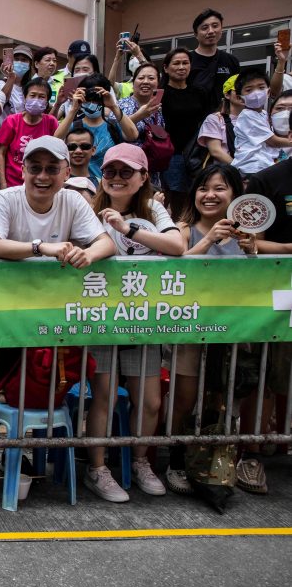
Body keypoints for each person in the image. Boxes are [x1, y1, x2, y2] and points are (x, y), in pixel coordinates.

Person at [84, 144, 184, 502]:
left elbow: (177, 246)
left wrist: (128, 229)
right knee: (105, 397)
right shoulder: (88, 209)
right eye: (110, 171)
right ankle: (97, 468)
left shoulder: (153, 209)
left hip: (143, 318)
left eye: (127, 171)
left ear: (143, 177)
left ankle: (141, 461)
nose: (116, 178)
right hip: (100, 317)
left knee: (150, 401)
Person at [169, 164, 250, 495]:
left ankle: (219, 464)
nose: (210, 195)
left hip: (233, 333)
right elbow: (174, 270)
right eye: (203, 188)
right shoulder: (183, 229)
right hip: (190, 330)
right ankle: (175, 461)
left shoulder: (247, 234)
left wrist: (253, 251)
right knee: (184, 399)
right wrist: (209, 241)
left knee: (226, 398)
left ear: (235, 194)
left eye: (219, 188)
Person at [0, 135, 113, 266]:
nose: (42, 176)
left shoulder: (73, 200)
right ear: (23, 171)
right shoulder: (5, 199)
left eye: (52, 169)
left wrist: (87, 254)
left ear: (67, 173)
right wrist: (39, 247)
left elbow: (106, 244)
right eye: (35, 168)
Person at [53, 73, 138, 180]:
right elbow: (56, 140)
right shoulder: (74, 125)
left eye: (97, 99)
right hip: (78, 186)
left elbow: (133, 135)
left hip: (107, 186)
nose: (92, 103)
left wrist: (113, 106)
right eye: (88, 98)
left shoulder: (112, 125)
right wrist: (73, 109)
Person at [159, 48, 211, 216]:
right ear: (166, 68)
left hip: (196, 152)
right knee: (174, 195)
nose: (181, 67)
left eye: (185, 63)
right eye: (176, 63)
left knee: (195, 193)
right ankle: (176, 230)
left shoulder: (199, 92)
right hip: (171, 152)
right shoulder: (160, 94)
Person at [0, 77, 59, 189]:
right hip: (12, 185)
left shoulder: (51, 122)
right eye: (32, 95)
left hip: (40, 184)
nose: (36, 100)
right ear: (25, 97)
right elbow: (0, 153)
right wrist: (3, 184)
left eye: (42, 97)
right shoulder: (12, 121)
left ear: (47, 101)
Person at [230, 68, 292, 175]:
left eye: (261, 88)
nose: (256, 93)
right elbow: (273, 141)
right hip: (251, 166)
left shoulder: (263, 114)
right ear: (240, 98)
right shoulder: (247, 116)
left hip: (263, 165)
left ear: (268, 92)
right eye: (249, 90)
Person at [188, 9, 240, 112]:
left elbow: (237, 91)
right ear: (196, 34)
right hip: (193, 120)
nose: (211, 31)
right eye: (205, 28)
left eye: (215, 26)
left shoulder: (231, 60)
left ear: (221, 29)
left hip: (224, 120)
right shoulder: (186, 61)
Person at [195, 75, 242, 166]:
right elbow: (215, 151)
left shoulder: (257, 117)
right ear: (227, 95)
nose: (243, 94)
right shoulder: (214, 119)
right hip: (225, 173)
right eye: (238, 90)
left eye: (248, 90)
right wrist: (241, 170)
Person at [0, 44, 34, 116]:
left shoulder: (31, 87)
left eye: (24, 60)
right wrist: (11, 77)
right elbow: (2, 100)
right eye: (16, 59)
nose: (19, 62)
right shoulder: (1, 84)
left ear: (29, 65)